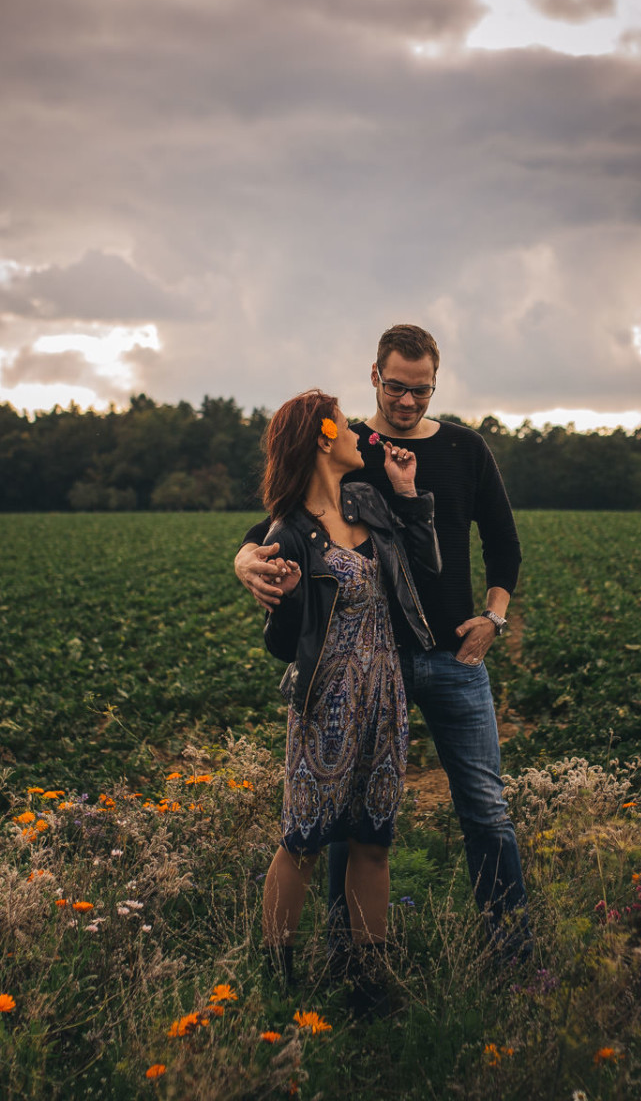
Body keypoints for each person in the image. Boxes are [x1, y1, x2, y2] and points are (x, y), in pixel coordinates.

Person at [238, 324, 529, 964]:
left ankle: (512, 956)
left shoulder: (464, 448)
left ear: (436, 384)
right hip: (372, 665)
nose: (407, 401)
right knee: (347, 822)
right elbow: (282, 518)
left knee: (485, 810)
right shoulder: (352, 448)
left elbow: (503, 543)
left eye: (421, 390)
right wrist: (243, 558)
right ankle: (348, 956)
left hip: (454, 657)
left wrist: (494, 617)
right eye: (396, 387)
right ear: (375, 375)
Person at [253, 388, 441, 1016]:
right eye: (345, 424)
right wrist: (284, 594)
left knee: (374, 838)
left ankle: (369, 977)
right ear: (322, 437)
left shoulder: (367, 500)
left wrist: (408, 496)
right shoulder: (289, 534)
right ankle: (276, 976)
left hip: (385, 694)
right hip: (327, 704)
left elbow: (424, 570)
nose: (360, 432)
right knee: (304, 838)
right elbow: (281, 644)